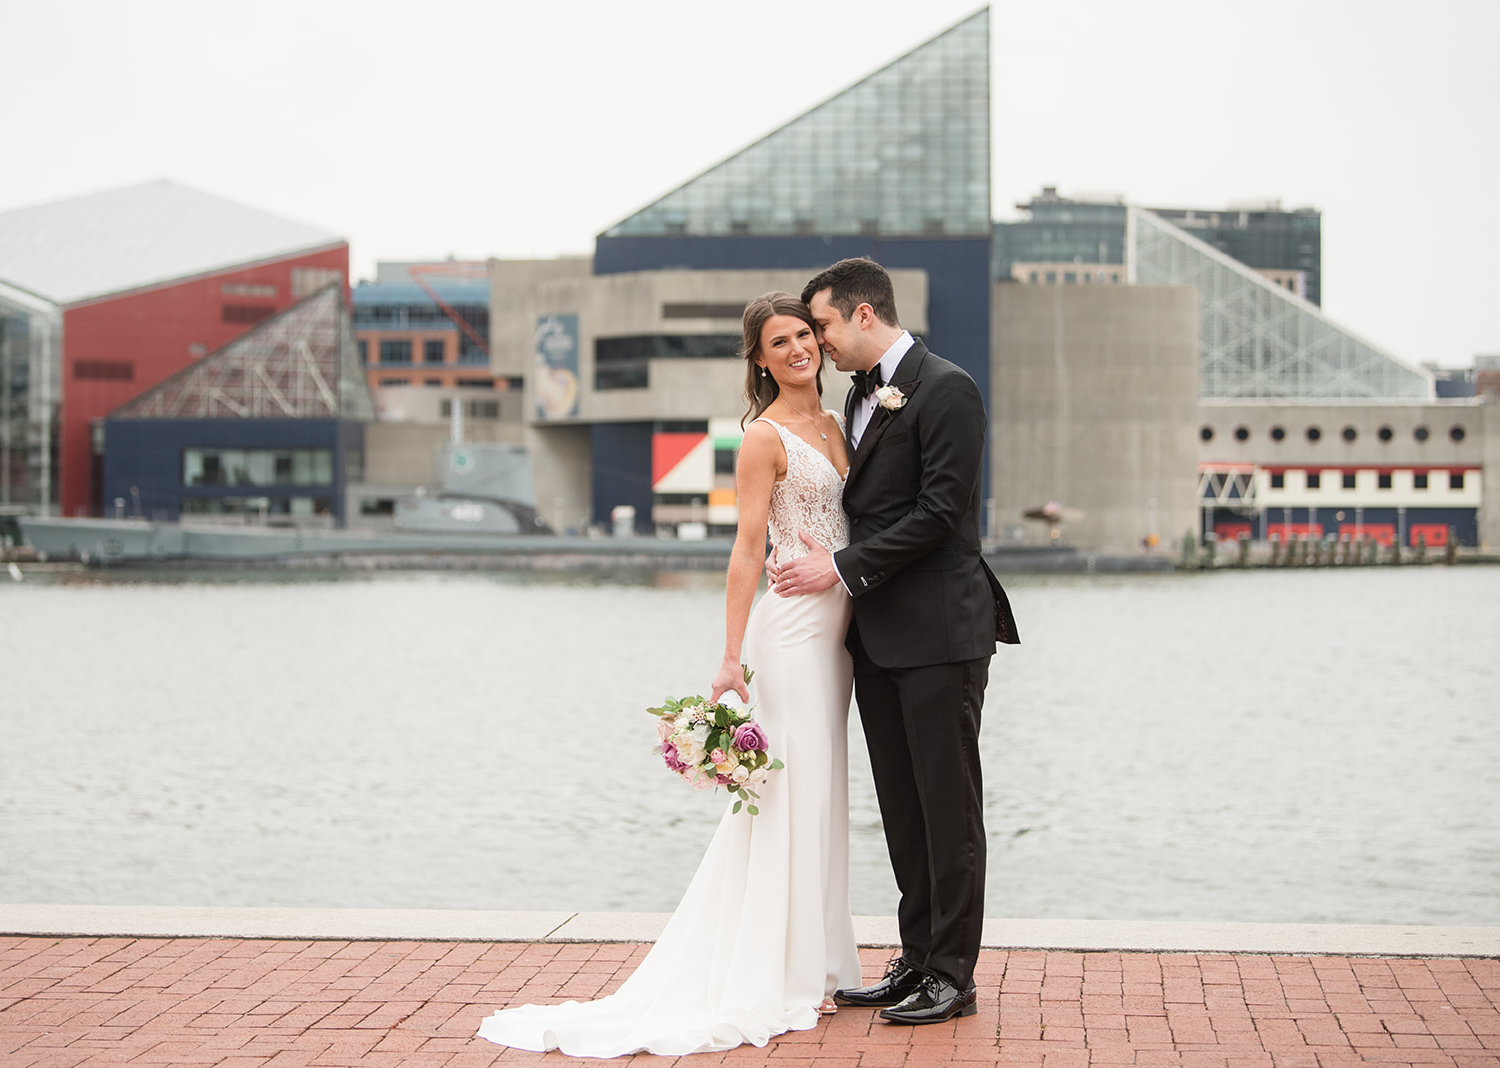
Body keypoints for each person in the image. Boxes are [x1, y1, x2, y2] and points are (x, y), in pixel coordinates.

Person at [475, 292, 861, 1057]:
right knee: (788, 789)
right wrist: (727, 655)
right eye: (779, 342)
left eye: (804, 336)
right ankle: (776, 969)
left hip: (840, 632)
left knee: (823, 790)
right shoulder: (763, 437)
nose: (796, 349)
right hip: (789, 632)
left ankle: (816, 959)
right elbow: (748, 547)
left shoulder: (841, 421)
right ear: (758, 358)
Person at [772, 257, 1019, 1026]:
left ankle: (954, 974)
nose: (820, 342)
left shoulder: (948, 388)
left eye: (824, 327)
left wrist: (840, 566)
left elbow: (943, 512)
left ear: (864, 314)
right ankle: (916, 962)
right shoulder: (856, 394)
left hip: (942, 631)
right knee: (904, 811)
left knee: (949, 810)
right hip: (877, 638)